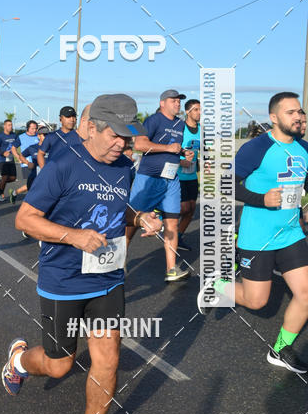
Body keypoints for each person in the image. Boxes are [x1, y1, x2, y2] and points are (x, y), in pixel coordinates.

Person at [3, 94, 161, 414]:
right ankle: (19, 361)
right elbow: (25, 219)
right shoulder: (62, 166)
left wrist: (139, 218)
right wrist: (73, 236)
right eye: (115, 135)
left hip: (108, 279)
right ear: (90, 128)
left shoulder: (123, 167)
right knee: (60, 366)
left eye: (127, 137)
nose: (122, 144)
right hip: (64, 282)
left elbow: (119, 206)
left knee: (108, 359)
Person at [201, 92, 308, 373]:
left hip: (291, 234)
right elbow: (224, 183)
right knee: (257, 301)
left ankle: (280, 349)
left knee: (306, 294)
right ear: (274, 117)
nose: (299, 117)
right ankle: (217, 285)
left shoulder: (304, 149)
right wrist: (262, 199)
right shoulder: (257, 148)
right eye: (291, 112)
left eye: (300, 111)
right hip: (258, 236)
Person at [126, 90, 194, 281]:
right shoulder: (153, 120)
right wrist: (168, 148)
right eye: (173, 101)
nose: (177, 104)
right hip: (149, 178)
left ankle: (171, 269)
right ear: (162, 103)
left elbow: (173, 148)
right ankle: (119, 260)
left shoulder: (180, 124)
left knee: (172, 222)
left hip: (171, 179)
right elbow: (140, 145)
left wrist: (183, 153)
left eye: (179, 101)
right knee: (131, 221)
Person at [177, 99, 201, 251]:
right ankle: (161, 214)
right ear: (187, 111)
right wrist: (180, 161)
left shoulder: (201, 129)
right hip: (178, 174)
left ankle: (178, 237)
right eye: (196, 109)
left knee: (191, 209)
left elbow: (204, 149)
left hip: (192, 175)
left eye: (200, 109)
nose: (199, 113)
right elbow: (171, 148)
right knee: (184, 207)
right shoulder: (180, 128)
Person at [37, 105, 78, 169]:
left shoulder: (80, 137)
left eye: (74, 116)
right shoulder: (51, 136)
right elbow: (40, 153)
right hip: (55, 173)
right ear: (60, 119)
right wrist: (44, 171)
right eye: (68, 117)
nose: (72, 119)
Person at [9, 120, 38, 203]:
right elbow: (13, 148)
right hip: (26, 164)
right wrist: (19, 157)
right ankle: (31, 204)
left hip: (37, 164)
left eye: (36, 128)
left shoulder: (38, 136)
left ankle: (15, 193)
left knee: (33, 185)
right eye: (32, 128)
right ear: (27, 128)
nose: (35, 130)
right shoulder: (21, 137)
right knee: (33, 185)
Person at [0, 120, 17, 200]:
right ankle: (0, 194)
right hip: (2, 160)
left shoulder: (14, 135)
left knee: (13, 178)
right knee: (5, 177)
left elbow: (17, 144)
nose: (11, 126)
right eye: (9, 125)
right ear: (5, 126)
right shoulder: (0, 136)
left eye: (11, 125)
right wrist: (3, 153)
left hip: (11, 159)